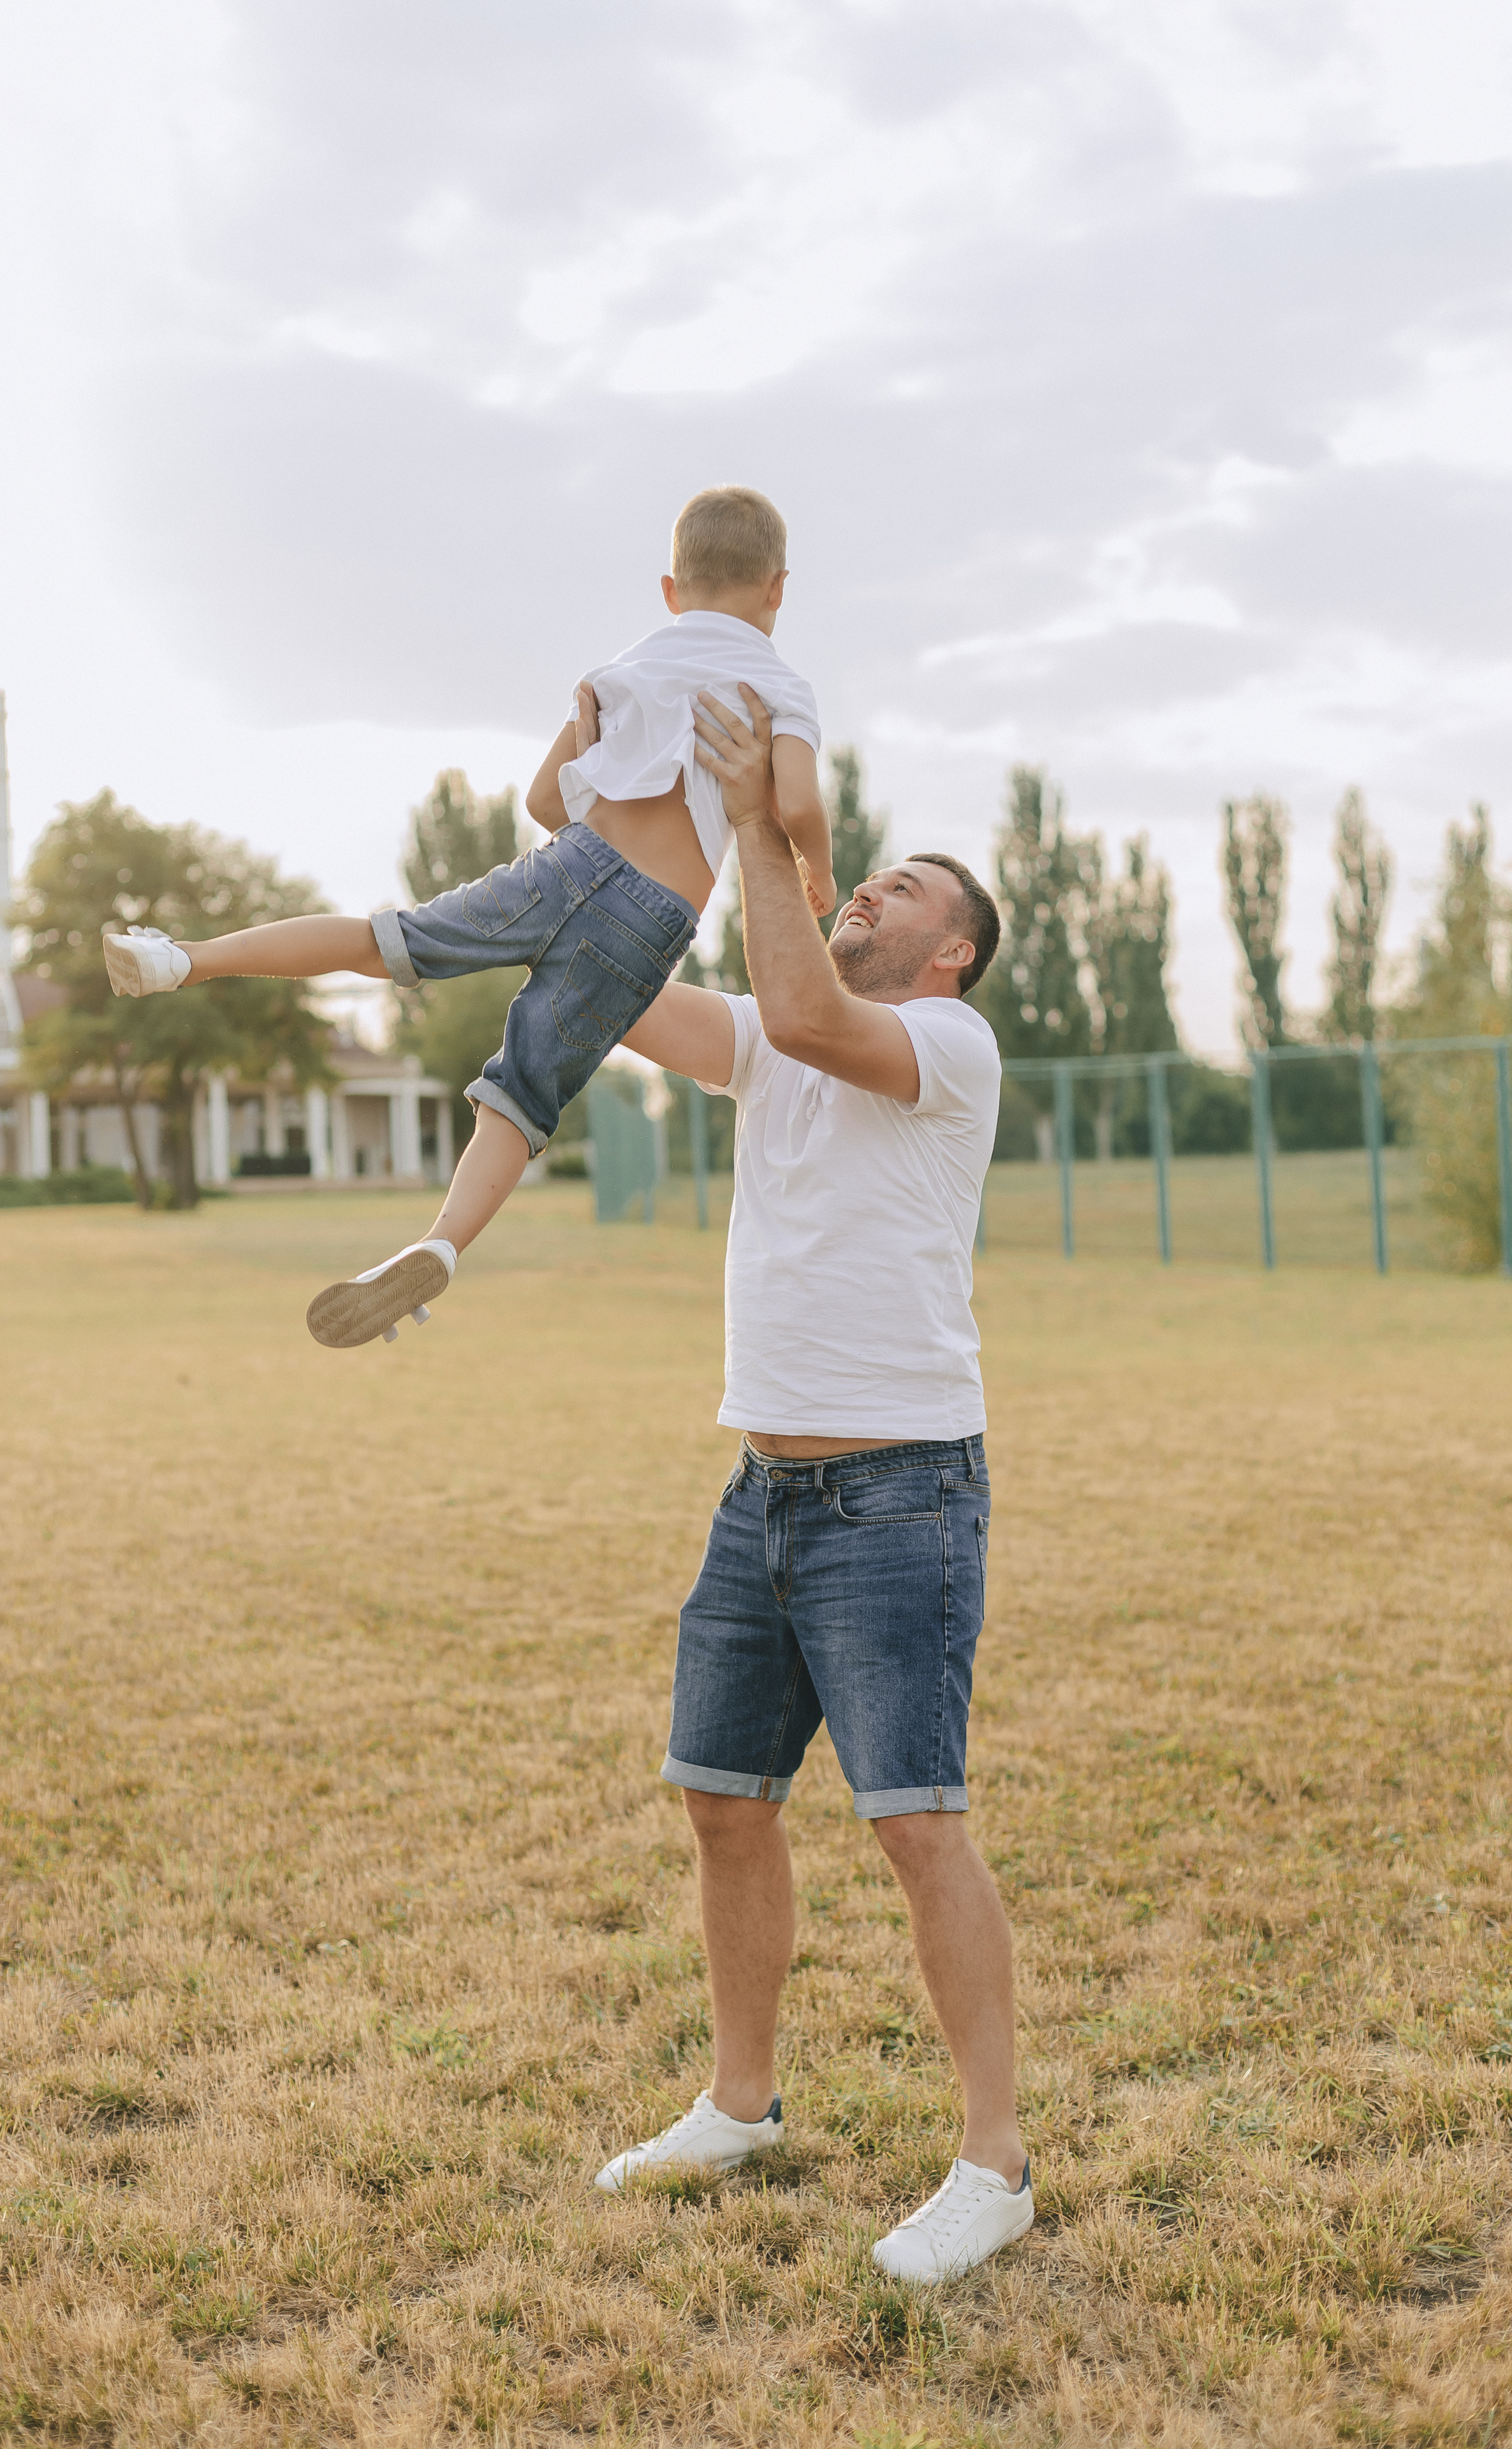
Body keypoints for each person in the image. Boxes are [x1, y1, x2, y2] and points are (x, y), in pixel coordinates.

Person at [588, 684, 1032, 2286]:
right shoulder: (776, 1037)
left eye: (900, 888)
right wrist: (592, 803)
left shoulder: (935, 1043)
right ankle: (740, 2105)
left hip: (897, 1496)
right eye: (867, 872)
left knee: (915, 1826)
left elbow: (798, 1006)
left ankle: (992, 2167)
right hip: (761, 1488)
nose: (867, 889)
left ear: (949, 954)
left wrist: (775, 830)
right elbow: (627, 991)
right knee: (720, 1804)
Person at [99, 486, 834, 1350]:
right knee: (519, 1100)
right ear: (778, 589)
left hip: (571, 863)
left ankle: (184, 961)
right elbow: (798, 800)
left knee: (387, 942)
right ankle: (438, 1244)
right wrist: (814, 863)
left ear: (670, 590)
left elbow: (538, 801)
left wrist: (591, 772)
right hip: (652, 917)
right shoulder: (780, 685)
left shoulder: (621, 671)